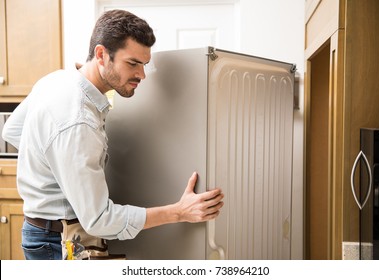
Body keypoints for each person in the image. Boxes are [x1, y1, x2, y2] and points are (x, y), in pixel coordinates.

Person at [1, 9, 224, 260]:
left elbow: (13, 130)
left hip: (39, 231)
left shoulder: (56, 80)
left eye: (144, 64)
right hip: (60, 241)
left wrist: (61, 168)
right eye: (132, 63)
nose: (141, 74)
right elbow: (98, 219)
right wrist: (179, 212)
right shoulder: (78, 121)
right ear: (101, 54)